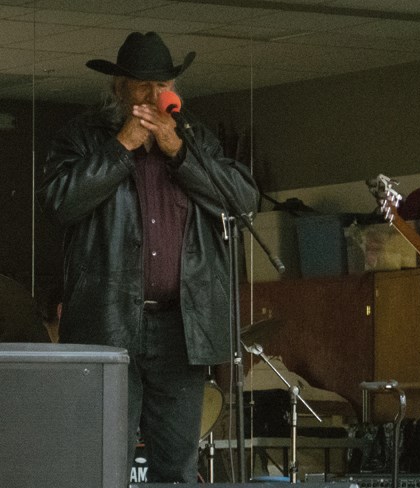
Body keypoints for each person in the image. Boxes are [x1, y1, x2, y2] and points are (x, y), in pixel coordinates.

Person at [38, 31, 259, 483]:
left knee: (177, 466)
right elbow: (59, 202)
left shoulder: (193, 138)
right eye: (143, 85)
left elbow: (243, 201)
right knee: (104, 463)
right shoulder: (82, 137)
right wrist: (121, 147)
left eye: (163, 84)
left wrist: (180, 153)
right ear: (119, 87)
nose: (155, 96)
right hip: (109, 323)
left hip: (181, 329)